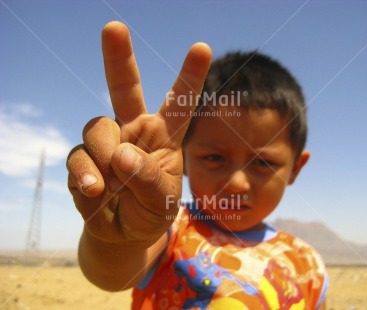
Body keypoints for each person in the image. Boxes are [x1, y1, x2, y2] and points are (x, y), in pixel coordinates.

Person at [67, 21, 328, 309]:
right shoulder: (168, 227)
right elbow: (110, 275)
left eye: (264, 162)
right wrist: (119, 239)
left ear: (295, 169)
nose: (237, 183)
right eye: (214, 158)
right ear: (185, 160)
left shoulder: (307, 265)